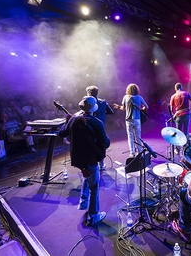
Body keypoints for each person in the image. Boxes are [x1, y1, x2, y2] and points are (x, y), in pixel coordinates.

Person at [58, 96, 110, 227]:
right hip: (90, 158)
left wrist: (67, 121)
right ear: (93, 109)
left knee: (87, 176)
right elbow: (106, 143)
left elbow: (61, 133)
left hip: (78, 158)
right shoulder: (96, 122)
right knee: (94, 187)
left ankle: (83, 201)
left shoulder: (74, 119)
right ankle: (93, 216)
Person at [113, 83, 148, 158]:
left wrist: (118, 106)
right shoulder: (139, 97)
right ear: (136, 90)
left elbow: (123, 108)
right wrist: (141, 109)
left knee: (130, 136)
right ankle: (139, 152)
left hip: (128, 120)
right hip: (137, 119)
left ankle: (132, 153)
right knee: (138, 137)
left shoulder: (125, 97)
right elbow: (146, 106)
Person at [86, 85, 114, 170]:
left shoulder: (88, 103)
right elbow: (111, 112)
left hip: (91, 127)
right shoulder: (103, 102)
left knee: (91, 145)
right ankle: (101, 165)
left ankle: (92, 165)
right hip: (101, 126)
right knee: (101, 145)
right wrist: (102, 112)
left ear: (89, 93)